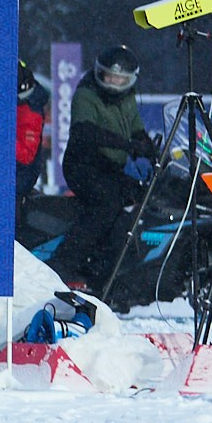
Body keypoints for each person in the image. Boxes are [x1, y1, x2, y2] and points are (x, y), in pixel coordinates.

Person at [55, 45, 155, 292]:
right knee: (106, 203)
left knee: (135, 202)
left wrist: (147, 146)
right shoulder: (86, 94)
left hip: (110, 167)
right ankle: (64, 262)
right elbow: (85, 131)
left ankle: (109, 272)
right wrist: (127, 144)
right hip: (83, 166)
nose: (114, 84)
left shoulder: (128, 98)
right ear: (99, 74)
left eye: (121, 79)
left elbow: (135, 127)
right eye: (110, 77)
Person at [15, 58, 50, 221]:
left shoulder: (30, 111)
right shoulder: (23, 106)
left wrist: (0, 137)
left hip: (17, 181)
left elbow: (25, 156)